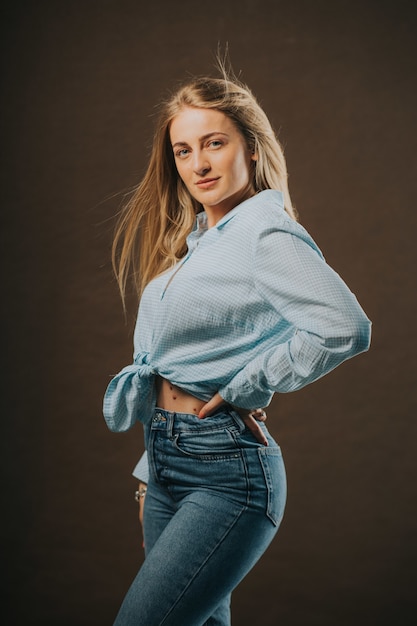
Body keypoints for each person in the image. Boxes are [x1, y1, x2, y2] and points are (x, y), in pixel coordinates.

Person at [103, 61, 371, 626]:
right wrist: (159, 465)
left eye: (214, 143)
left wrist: (249, 383)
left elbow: (344, 326)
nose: (198, 163)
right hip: (168, 462)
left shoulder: (262, 232)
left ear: (251, 148)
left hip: (226, 472)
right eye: (182, 151)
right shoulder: (201, 242)